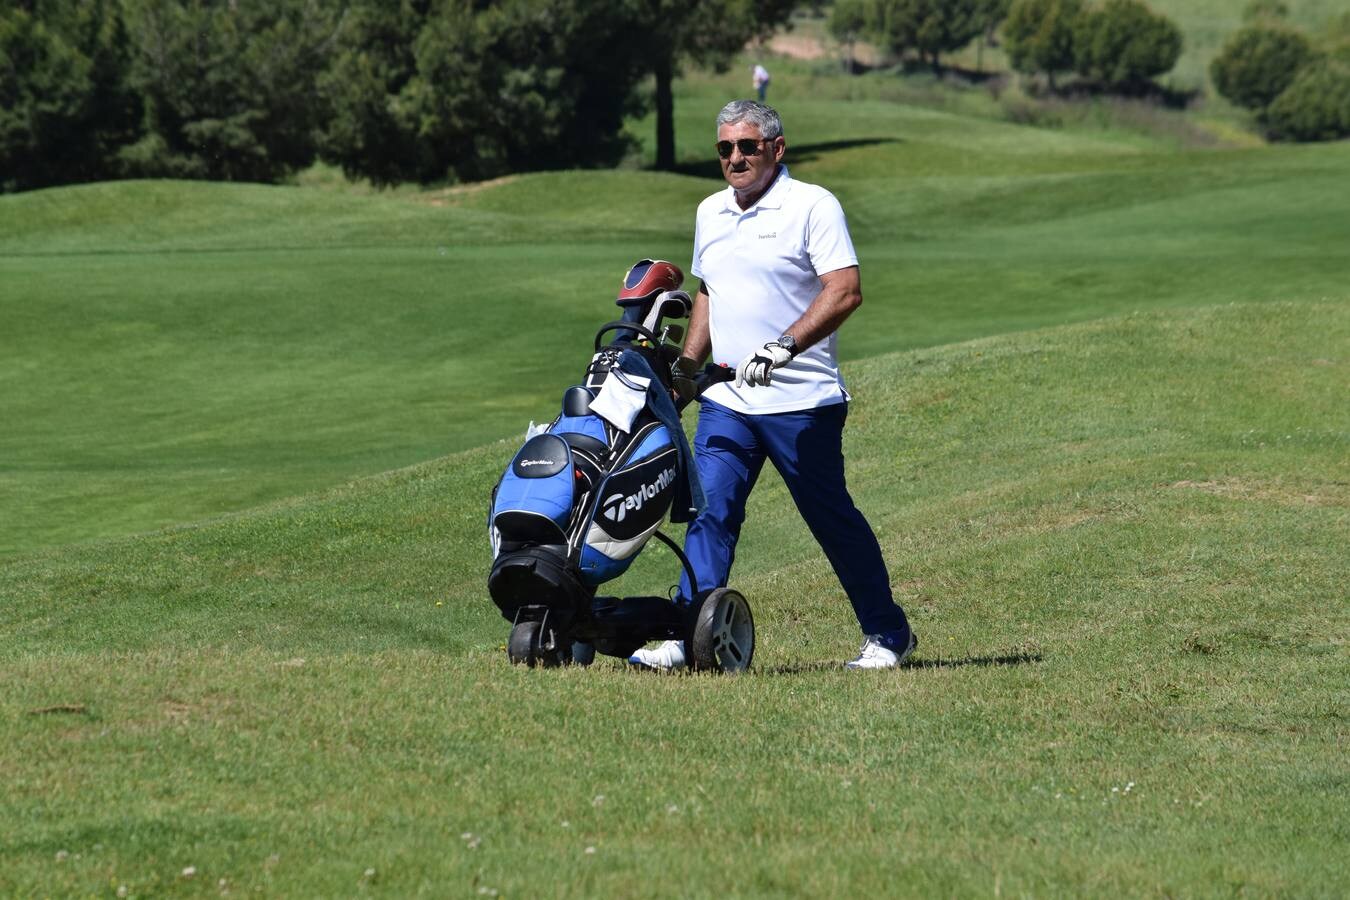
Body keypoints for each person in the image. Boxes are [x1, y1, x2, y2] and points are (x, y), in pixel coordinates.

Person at [629, 100, 916, 671]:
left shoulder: (813, 205)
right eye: (725, 148)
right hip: (727, 401)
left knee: (831, 520)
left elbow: (845, 290)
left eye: (748, 147)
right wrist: (688, 369)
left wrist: (785, 344)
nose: (735, 158)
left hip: (801, 402)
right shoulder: (711, 211)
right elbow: (711, 291)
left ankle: (889, 634)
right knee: (710, 516)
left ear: (776, 150)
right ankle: (691, 636)